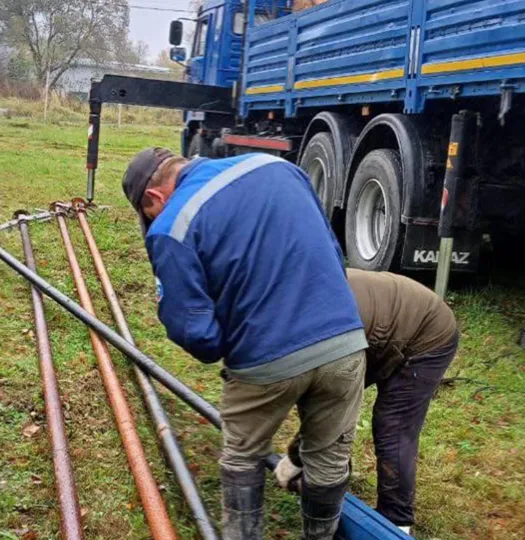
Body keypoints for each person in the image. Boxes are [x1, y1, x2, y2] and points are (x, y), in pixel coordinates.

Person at [122, 148, 368, 539]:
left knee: (242, 457)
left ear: (153, 199)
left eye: (146, 214)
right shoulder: (277, 166)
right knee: (329, 459)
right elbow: (333, 254)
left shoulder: (171, 226)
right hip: (344, 342)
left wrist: (230, 338)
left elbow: (197, 334)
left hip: (265, 360)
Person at [274, 268, 459, 534]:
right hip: (377, 329)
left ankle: (396, 522)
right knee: (330, 408)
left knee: (393, 425)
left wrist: (296, 460)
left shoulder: (313, 329)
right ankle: (330, 478)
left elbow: (328, 404)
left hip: (426, 331)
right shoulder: (291, 307)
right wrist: (298, 459)